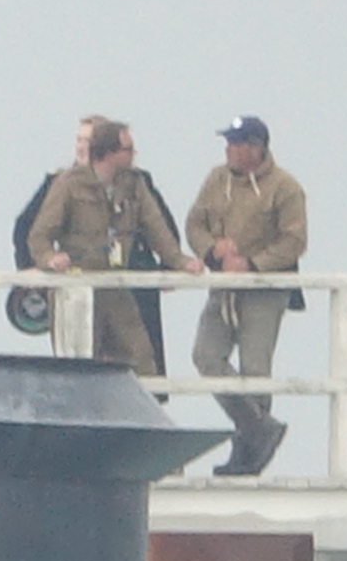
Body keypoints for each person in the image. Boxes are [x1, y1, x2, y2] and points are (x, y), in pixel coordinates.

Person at [26, 119, 201, 374]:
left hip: (115, 284)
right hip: (77, 290)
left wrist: (180, 261)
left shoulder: (133, 184)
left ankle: (139, 411)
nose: (133, 155)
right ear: (108, 153)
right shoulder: (69, 183)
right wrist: (49, 258)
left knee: (142, 360)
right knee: (81, 366)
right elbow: (39, 235)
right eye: (128, 149)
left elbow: (156, 228)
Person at [187, 116, 308, 476]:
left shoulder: (286, 187)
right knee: (206, 356)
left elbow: (295, 241)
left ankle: (249, 452)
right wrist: (212, 250)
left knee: (256, 371)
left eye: (238, 143)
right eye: (229, 142)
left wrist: (253, 264)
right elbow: (195, 223)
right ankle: (260, 430)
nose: (230, 149)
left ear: (257, 147)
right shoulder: (216, 179)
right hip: (224, 288)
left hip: (265, 291)